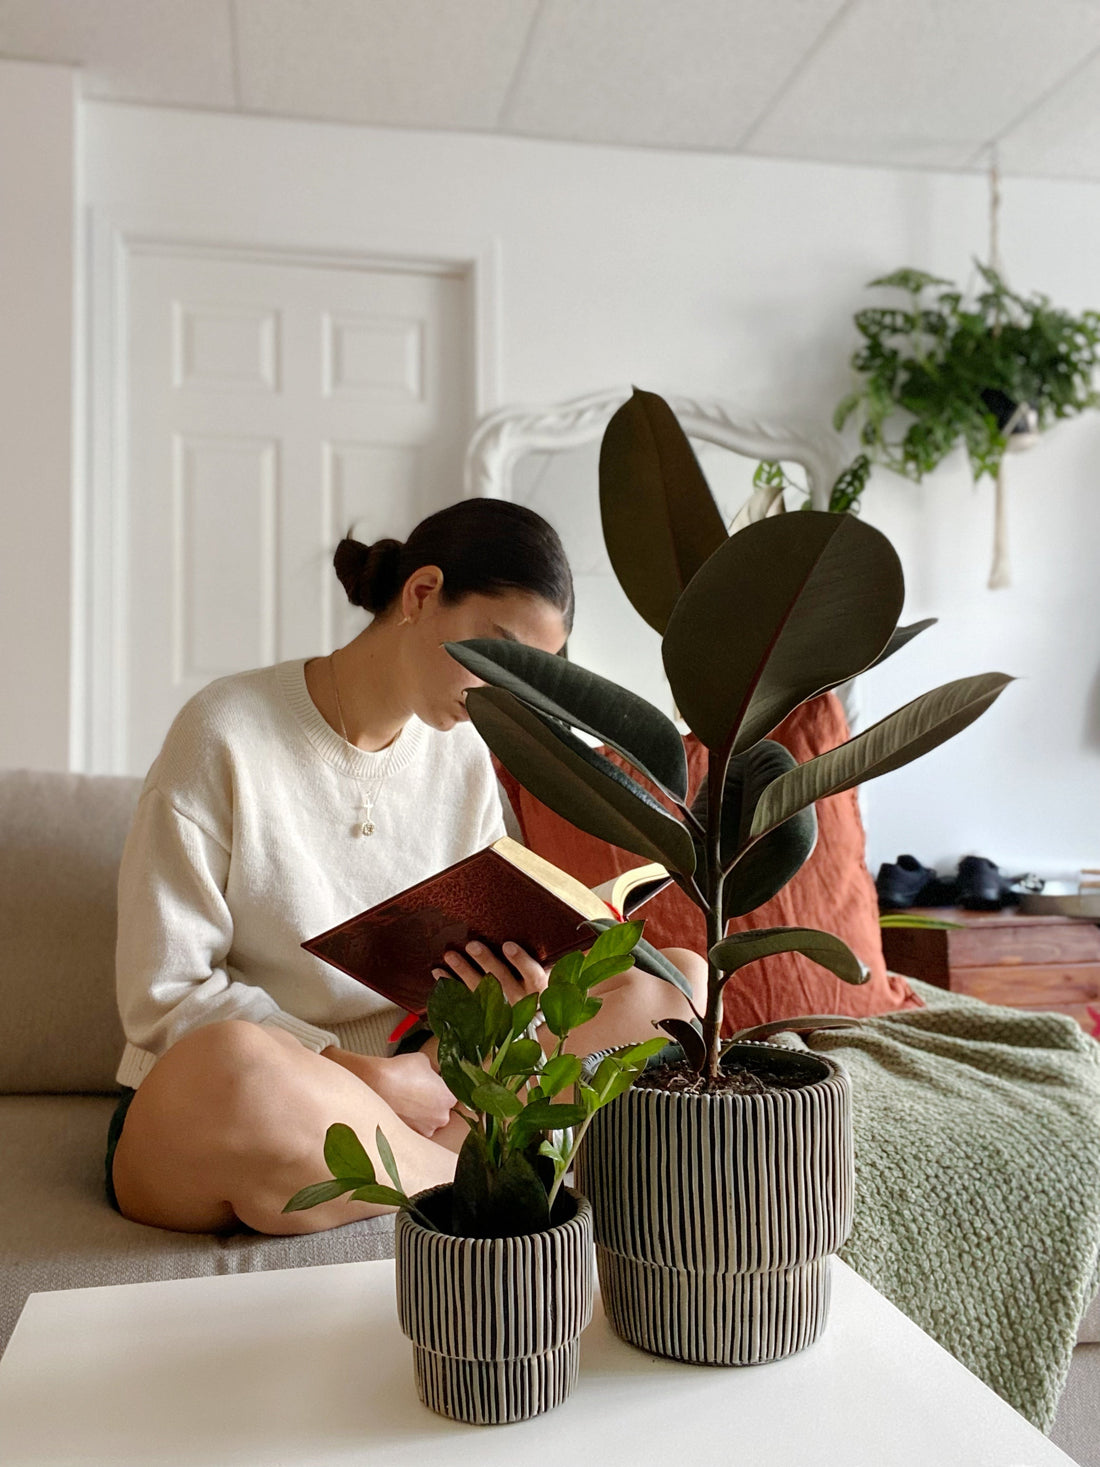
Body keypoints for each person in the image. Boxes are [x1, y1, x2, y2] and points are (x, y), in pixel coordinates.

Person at [108, 499, 706, 1237]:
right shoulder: (224, 731)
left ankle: (437, 1182)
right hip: (257, 1096)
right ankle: (501, 1196)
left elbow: (464, 960)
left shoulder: (462, 756)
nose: (503, 691)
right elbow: (164, 997)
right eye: (498, 652)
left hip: (424, 1084)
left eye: (526, 675)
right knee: (233, 1071)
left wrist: (509, 993)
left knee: (672, 982)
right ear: (422, 595)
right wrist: (363, 1074)